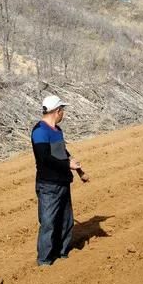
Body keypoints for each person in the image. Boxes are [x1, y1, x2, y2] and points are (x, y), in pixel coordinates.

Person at [31, 95, 89, 266]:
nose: (63, 113)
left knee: (66, 221)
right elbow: (44, 158)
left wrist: (79, 171)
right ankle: (44, 260)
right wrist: (67, 164)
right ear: (57, 111)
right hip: (48, 184)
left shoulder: (57, 131)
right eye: (62, 110)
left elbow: (62, 153)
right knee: (49, 222)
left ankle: (62, 252)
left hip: (63, 182)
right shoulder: (40, 131)